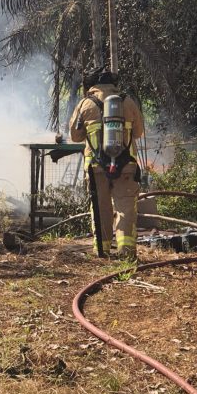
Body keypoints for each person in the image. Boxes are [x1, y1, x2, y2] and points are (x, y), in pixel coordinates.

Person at [69, 67, 145, 259]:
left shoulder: (85, 104)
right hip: (126, 165)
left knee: (100, 207)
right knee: (125, 207)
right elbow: (138, 133)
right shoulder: (127, 102)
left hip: (96, 167)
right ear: (113, 85)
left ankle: (102, 251)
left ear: (92, 85)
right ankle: (126, 252)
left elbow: (75, 136)